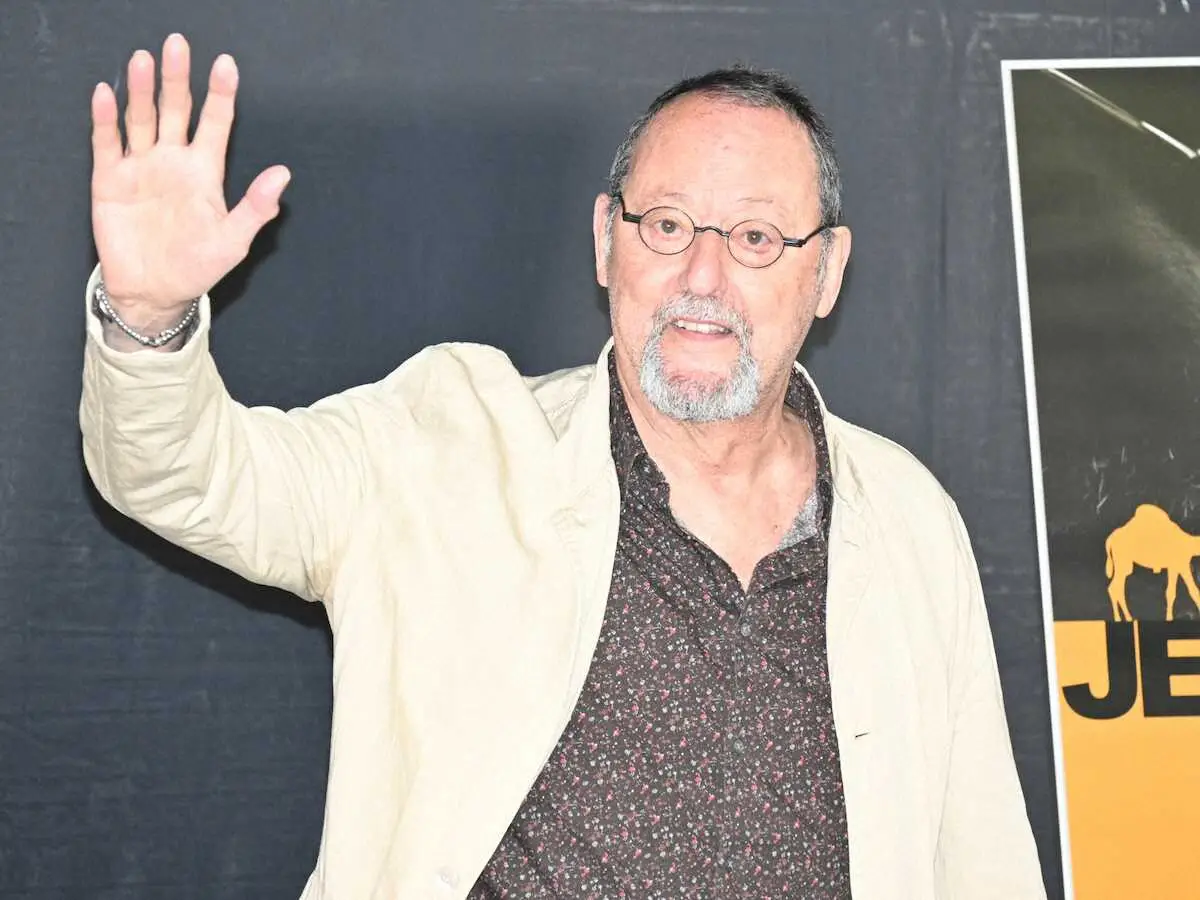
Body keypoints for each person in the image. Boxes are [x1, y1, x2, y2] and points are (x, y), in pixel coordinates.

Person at [80, 32, 1047, 900]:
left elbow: (983, 862)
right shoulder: (445, 443)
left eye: (755, 238)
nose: (702, 276)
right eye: (666, 225)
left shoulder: (909, 521)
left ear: (826, 271)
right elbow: (188, 477)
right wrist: (147, 318)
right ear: (604, 242)